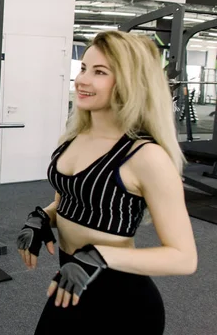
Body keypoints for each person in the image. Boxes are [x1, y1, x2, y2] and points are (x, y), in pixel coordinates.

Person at [16, 31, 198, 335]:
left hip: (122, 299)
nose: (82, 80)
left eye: (99, 72)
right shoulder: (74, 137)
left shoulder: (146, 156)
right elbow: (69, 201)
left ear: (129, 82)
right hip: (71, 282)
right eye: (83, 68)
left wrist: (97, 256)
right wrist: (41, 218)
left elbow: (184, 258)